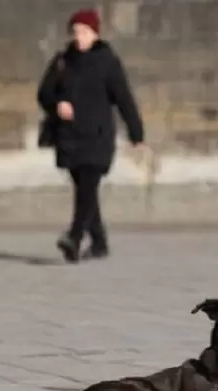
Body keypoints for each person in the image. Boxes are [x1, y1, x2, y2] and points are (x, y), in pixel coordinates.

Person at [37, 8, 144, 263]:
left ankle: (74, 237)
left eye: (84, 32)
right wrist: (57, 104)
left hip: (97, 136)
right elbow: (43, 93)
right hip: (69, 136)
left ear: (95, 33)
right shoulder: (63, 61)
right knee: (86, 190)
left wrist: (136, 132)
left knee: (87, 186)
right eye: (76, 32)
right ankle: (99, 242)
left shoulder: (107, 62)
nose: (79, 37)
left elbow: (123, 98)